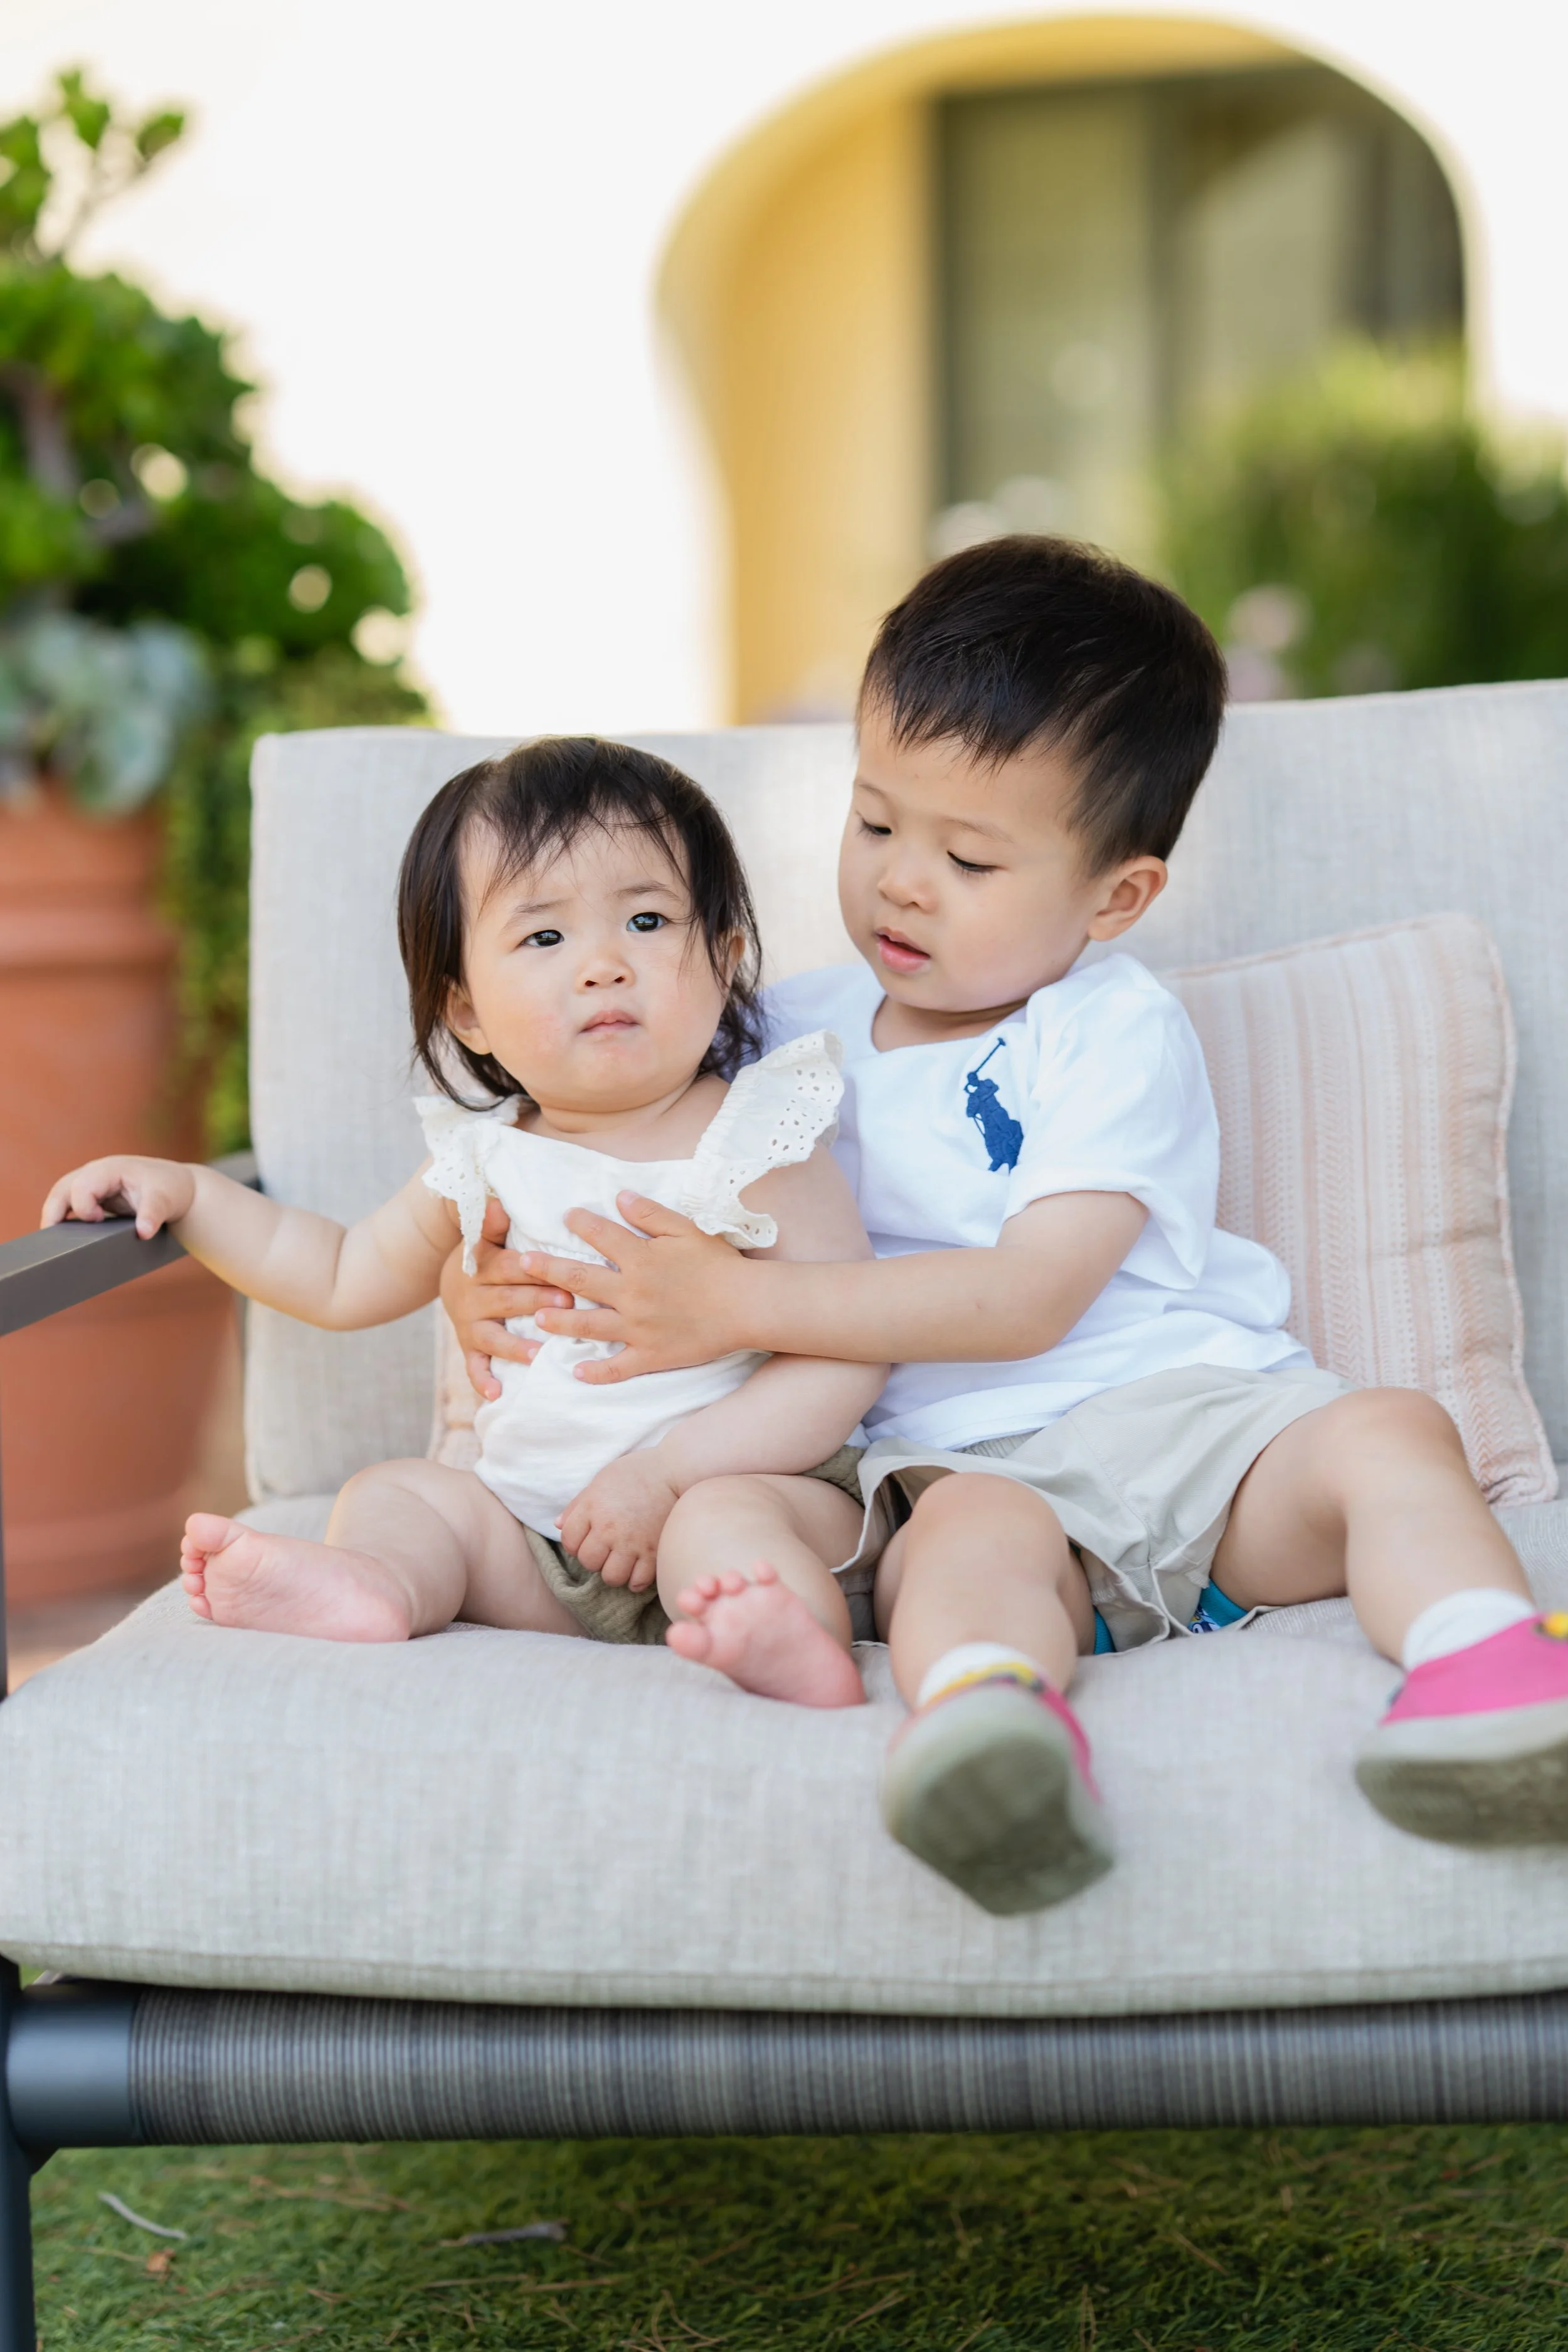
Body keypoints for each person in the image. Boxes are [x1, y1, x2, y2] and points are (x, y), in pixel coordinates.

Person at [442, 538, 1567, 1919]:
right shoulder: (775, 1038)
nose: (902, 882)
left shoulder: (1104, 1030)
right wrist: (475, 1281)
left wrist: (742, 1310)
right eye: (873, 825)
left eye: (968, 857)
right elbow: (594, 1141)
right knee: (963, 1554)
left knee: (1389, 1432)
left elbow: (1030, 1297)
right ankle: (995, 1740)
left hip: (1199, 1432)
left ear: (1115, 896)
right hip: (960, 1466)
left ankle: (1487, 1677)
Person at [41, 737, 884, 1694]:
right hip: (537, 1540)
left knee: (724, 1530)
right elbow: (336, 1270)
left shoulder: (758, 1140)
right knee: (399, 1494)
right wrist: (192, 1196)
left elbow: (845, 1348)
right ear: (469, 1012)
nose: (604, 964)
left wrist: (670, 1474)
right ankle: (379, 1585)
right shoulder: (482, 1157)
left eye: (647, 919)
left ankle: (778, 1634)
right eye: (544, 938)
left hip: (740, 1491)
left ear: (726, 957)